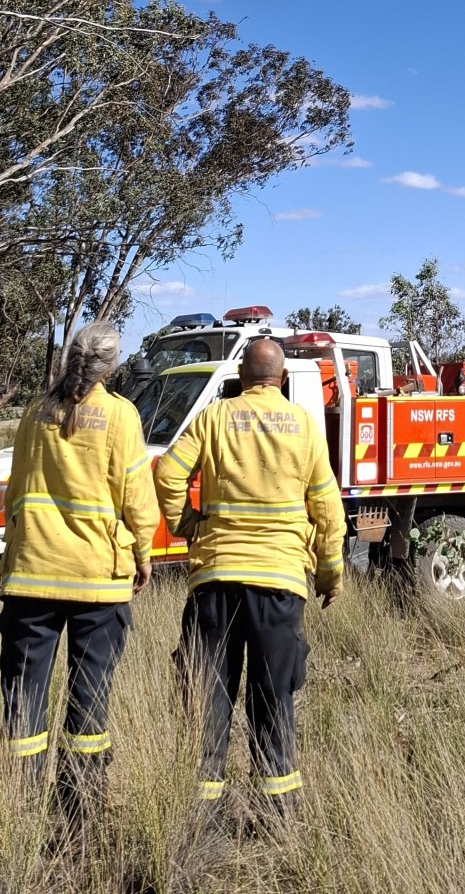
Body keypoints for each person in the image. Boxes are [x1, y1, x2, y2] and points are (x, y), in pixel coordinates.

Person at [154, 336, 345, 810]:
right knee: (273, 699)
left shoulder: (215, 418)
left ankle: (202, 815)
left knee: (209, 700)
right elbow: (327, 509)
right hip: (279, 585)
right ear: (280, 379)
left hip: (215, 580)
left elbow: (166, 475)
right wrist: (330, 576)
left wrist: (188, 525)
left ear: (242, 377)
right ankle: (276, 814)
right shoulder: (303, 425)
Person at [0, 321, 159, 796]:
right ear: (111, 366)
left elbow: (18, 490)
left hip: (31, 575)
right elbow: (136, 495)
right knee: (90, 695)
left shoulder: (35, 413)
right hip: (97, 579)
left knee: (23, 693)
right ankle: (81, 798)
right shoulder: (120, 415)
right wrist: (143, 554)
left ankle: (18, 799)